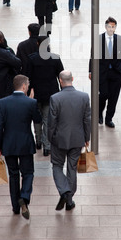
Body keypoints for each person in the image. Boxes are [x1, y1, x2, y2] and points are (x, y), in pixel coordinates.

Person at [0, 74, 42, 219]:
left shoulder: (3, 102)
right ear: (23, 86)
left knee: (13, 174)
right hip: (25, 144)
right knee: (28, 173)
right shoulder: (30, 103)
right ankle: (25, 196)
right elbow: (38, 120)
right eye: (27, 85)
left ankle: (16, 206)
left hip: (9, 144)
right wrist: (33, 100)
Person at [48, 70, 91, 211]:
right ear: (72, 78)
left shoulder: (55, 98)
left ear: (60, 81)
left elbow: (51, 122)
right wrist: (87, 138)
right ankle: (69, 199)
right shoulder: (84, 97)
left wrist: (50, 138)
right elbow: (87, 120)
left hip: (59, 139)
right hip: (77, 138)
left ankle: (64, 191)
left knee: (57, 166)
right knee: (72, 168)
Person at [26, 36, 64, 155]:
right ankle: (47, 146)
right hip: (51, 93)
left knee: (37, 118)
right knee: (48, 119)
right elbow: (61, 76)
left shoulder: (32, 59)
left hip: (36, 93)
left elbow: (28, 77)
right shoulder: (55, 58)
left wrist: (28, 93)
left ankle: (38, 141)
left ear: (37, 44)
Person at [89, 17, 121, 128]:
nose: (111, 28)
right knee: (103, 94)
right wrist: (91, 70)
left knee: (113, 97)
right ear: (106, 27)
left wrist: (120, 66)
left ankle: (109, 118)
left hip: (115, 72)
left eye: (113, 26)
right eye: (109, 26)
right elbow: (93, 55)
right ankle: (99, 113)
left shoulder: (119, 39)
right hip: (102, 72)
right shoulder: (98, 39)